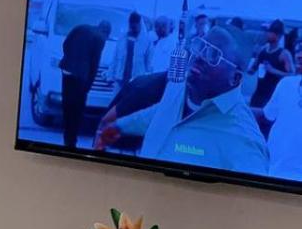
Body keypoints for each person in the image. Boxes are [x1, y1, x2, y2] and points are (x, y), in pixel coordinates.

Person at [97, 25, 269, 175]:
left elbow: (252, 200)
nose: (199, 56)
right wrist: (119, 126)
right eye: (200, 46)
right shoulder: (179, 86)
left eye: (213, 55)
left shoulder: (245, 141)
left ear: (235, 78)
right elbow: (161, 112)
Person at [59, 19, 111, 151]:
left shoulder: (80, 27)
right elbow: (94, 64)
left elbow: (65, 44)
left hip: (66, 71)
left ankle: (67, 139)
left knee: (67, 106)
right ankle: (71, 142)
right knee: (77, 110)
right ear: (106, 32)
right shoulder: (100, 38)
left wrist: (69, 59)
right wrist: (88, 86)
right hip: (80, 77)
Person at [263, 37, 302, 181]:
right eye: (298, 50)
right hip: (273, 171)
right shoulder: (286, 84)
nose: (299, 55)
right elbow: (267, 115)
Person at [248, 20, 294, 112]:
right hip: (258, 94)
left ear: (278, 36)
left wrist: (273, 70)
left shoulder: (284, 54)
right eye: (267, 32)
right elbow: (252, 70)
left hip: (274, 96)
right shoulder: (262, 50)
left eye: (270, 32)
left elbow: (292, 75)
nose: (267, 34)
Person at [112, 11, 152, 88]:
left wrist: (147, 81)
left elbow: (149, 63)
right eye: (132, 26)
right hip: (120, 79)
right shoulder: (122, 39)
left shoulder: (147, 42)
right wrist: (110, 76)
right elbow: (115, 58)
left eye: (136, 26)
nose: (133, 28)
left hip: (137, 81)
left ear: (140, 24)